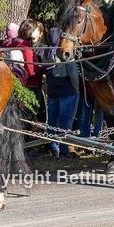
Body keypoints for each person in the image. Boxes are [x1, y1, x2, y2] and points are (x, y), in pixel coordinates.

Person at [43, 27, 81, 157]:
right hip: (67, 92)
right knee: (65, 122)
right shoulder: (65, 54)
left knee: (52, 122)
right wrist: (76, 90)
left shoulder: (46, 54)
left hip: (53, 93)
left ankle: (53, 147)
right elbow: (74, 75)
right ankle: (65, 149)